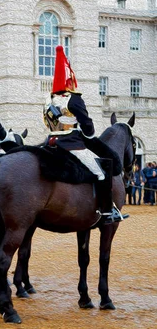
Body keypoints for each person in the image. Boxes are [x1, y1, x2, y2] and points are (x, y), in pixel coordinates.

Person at [43, 45, 128, 225]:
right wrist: (88, 134)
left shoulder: (49, 100)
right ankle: (107, 211)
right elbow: (88, 127)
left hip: (51, 141)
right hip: (72, 144)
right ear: (70, 79)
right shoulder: (73, 99)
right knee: (101, 171)